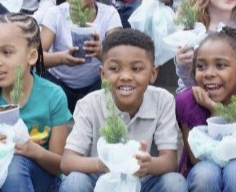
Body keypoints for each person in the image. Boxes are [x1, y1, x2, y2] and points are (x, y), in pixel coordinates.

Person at [59, 28, 188, 192]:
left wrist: (148, 165)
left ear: (153, 73)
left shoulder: (163, 100)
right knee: (75, 181)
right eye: (114, 69)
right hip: (102, 182)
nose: (125, 76)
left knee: (174, 182)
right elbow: (68, 161)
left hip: (143, 182)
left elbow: (169, 161)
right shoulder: (89, 104)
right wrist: (102, 163)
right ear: (103, 74)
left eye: (136, 69)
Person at [0, 13, 72, 192]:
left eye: (6, 52)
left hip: (43, 181)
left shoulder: (53, 96)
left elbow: (60, 165)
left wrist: (33, 151)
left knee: (15, 162)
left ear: (31, 56)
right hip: (0, 181)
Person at [175, 27, 236, 192]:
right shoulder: (187, 102)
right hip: (202, 176)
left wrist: (221, 115)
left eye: (220, 65)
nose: (209, 73)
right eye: (201, 67)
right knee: (206, 172)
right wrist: (213, 113)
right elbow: (197, 159)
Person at [41, 0, 121, 111]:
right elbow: (36, 57)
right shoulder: (55, 14)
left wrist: (100, 52)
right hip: (59, 87)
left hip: (95, 87)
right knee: (32, 73)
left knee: (116, 77)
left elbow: (119, 58)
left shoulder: (109, 14)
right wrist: (61, 58)